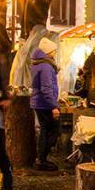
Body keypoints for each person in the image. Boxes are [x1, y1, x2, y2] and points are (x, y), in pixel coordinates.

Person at [30, 35, 61, 170]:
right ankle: (42, 159)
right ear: (48, 51)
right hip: (45, 103)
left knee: (44, 130)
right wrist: (53, 106)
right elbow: (46, 88)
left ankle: (41, 159)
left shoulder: (38, 64)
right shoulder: (46, 66)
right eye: (54, 50)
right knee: (54, 130)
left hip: (39, 102)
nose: (55, 53)